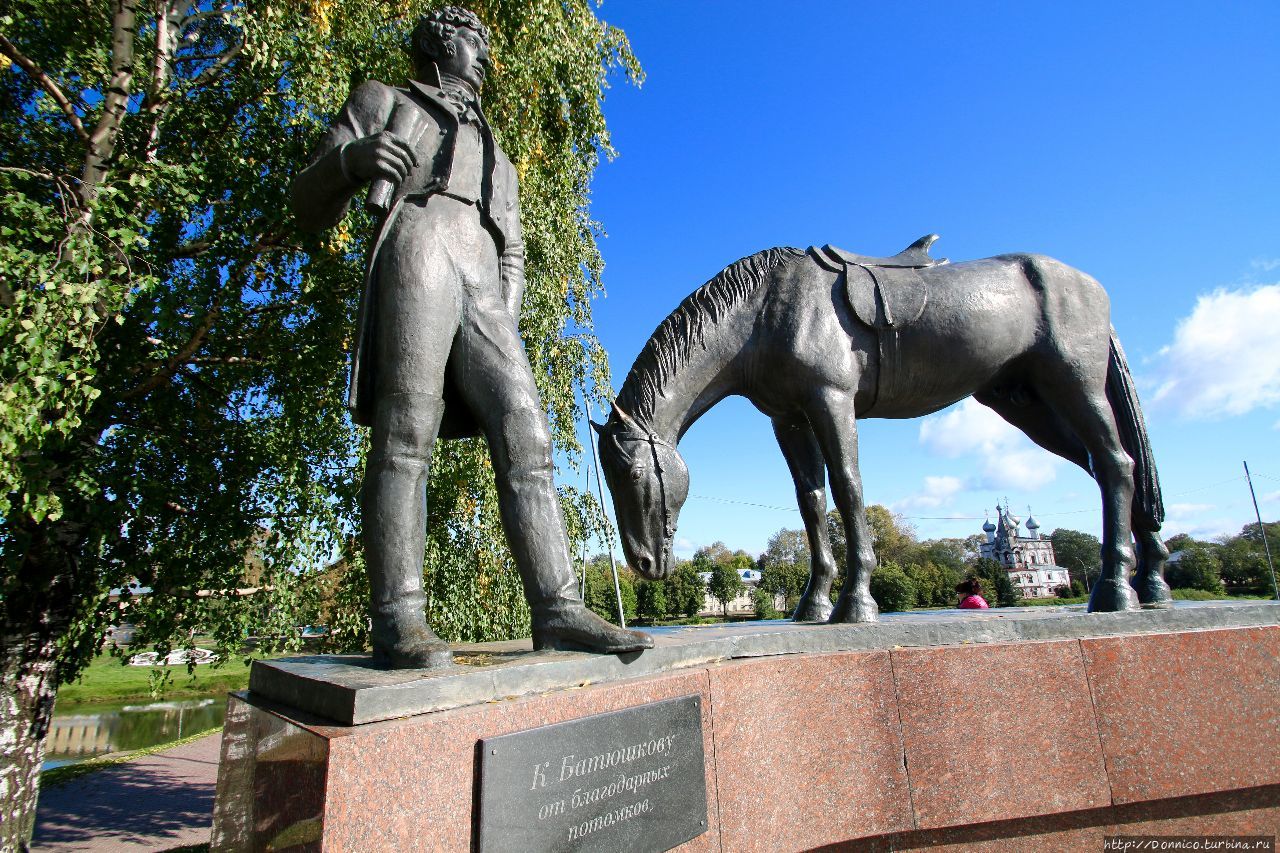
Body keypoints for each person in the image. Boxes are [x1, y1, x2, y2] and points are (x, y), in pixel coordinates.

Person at [291, 7, 651, 669]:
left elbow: (513, 248)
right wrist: (351, 159)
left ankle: (558, 606)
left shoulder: (500, 155)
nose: (484, 55)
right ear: (439, 42)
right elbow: (305, 203)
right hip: (417, 248)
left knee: (528, 433)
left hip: (483, 283)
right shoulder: (383, 100)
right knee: (406, 432)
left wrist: (504, 313)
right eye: (473, 41)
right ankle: (398, 616)